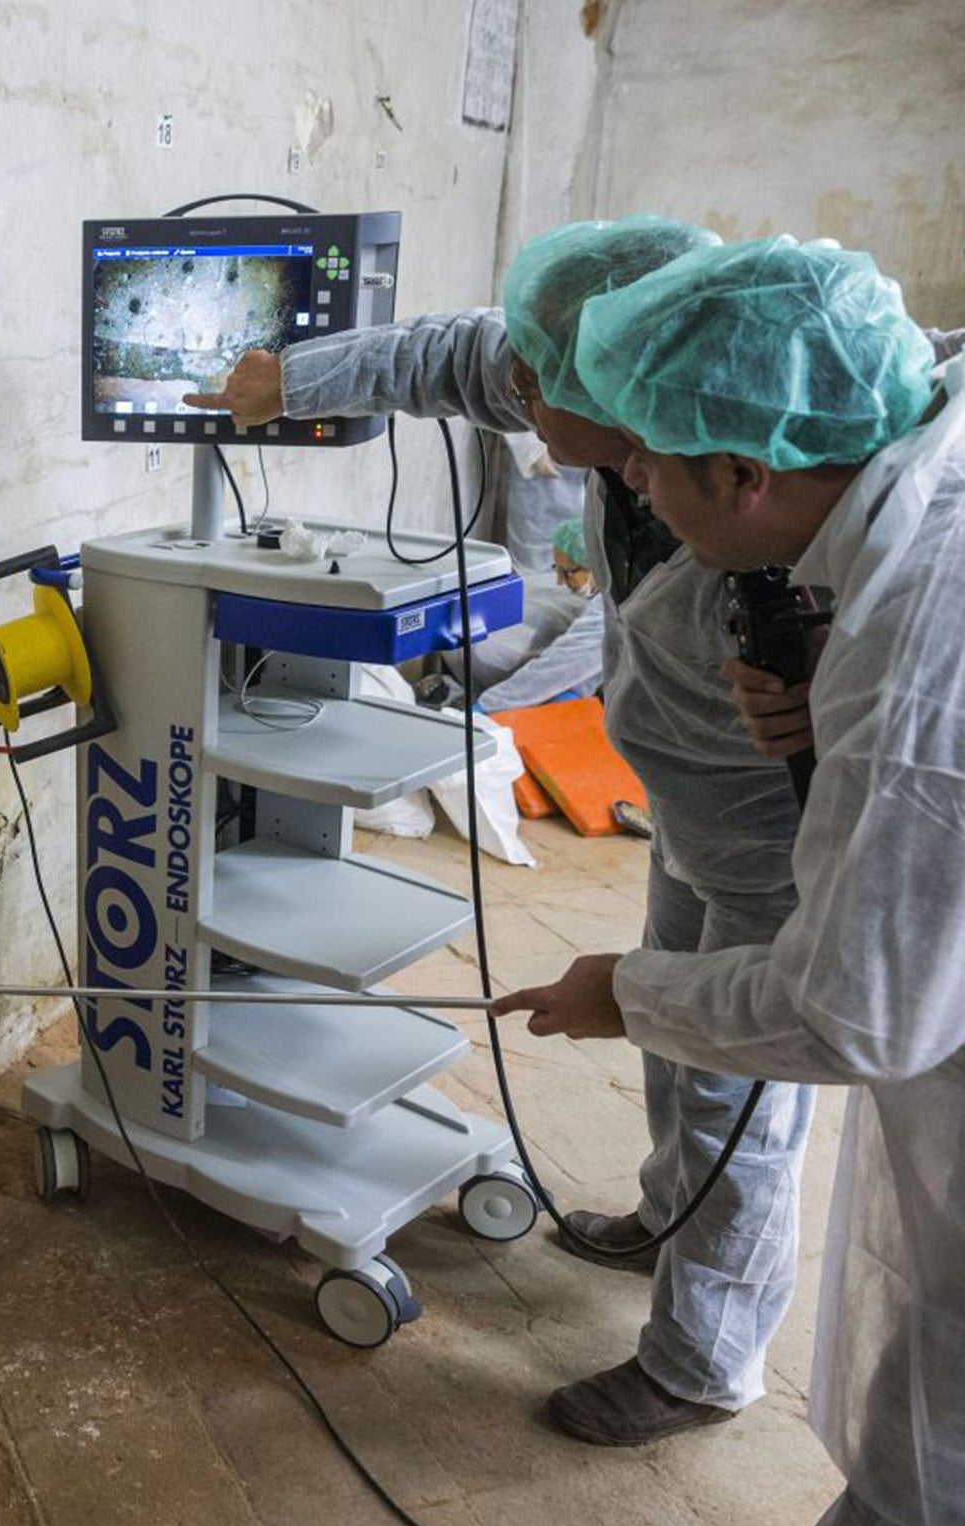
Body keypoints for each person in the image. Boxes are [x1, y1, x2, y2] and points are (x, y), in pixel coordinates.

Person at [184, 217, 824, 1448]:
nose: (512, 395)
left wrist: (838, 675)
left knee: (734, 1092)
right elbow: (448, 354)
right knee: (675, 1070)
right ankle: (663, 1219)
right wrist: (290, 381)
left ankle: (701, 1364)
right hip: (687, 809)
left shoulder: (769, 465)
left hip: (768, 837)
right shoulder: (603, 391)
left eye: (536, 384)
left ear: (635, 400)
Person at [491, 235, 965, 1526]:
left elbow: (851, 1012)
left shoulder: (922, 660)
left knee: (935, 1460)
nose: (627, 477)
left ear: (744, 475)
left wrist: (625, 994)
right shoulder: (907, 472)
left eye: (647, 458)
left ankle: (717, 1370)